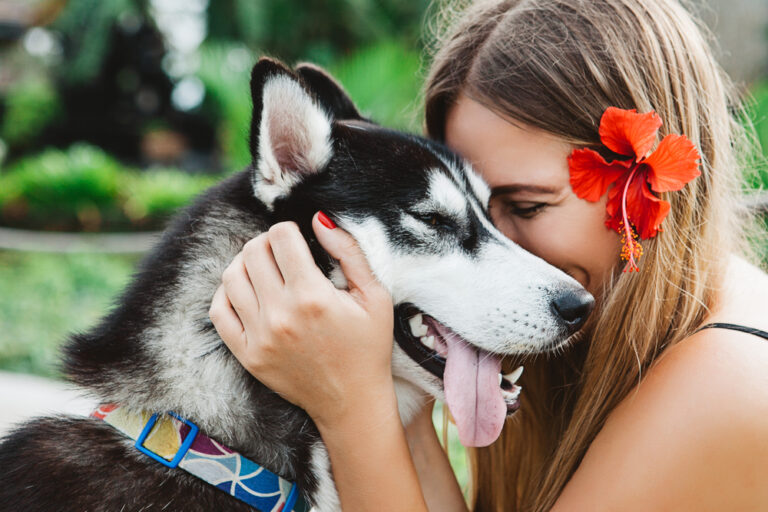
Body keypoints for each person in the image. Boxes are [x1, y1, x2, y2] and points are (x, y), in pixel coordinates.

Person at [208, 0, 768, 510]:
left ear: (647, 186)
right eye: (472, 211)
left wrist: (352, 409)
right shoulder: (648, 331)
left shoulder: (729, 385)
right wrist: (387, 373)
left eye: (525, 206)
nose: (503, 256)